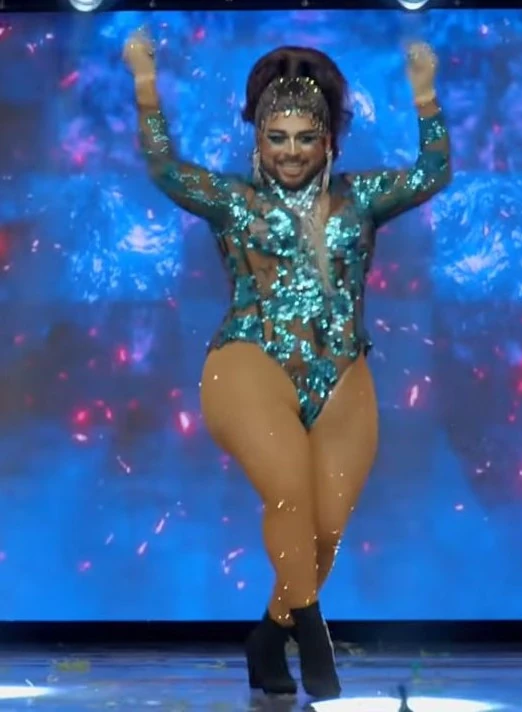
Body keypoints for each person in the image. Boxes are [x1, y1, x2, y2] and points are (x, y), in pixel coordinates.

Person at [123, 30, 451, 700]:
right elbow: (163, 167)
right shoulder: (233, 201)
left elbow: (431, 172)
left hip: (342, 371)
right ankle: (313, 634)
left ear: (328, 142)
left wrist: (425, 93)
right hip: (250, 359)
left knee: (324, 529)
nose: (291, 151)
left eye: (305, 138)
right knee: (288, 499)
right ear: (258, 140)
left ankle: (270, 637)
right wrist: (144, 82)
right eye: (277, 138)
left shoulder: (360, 200)